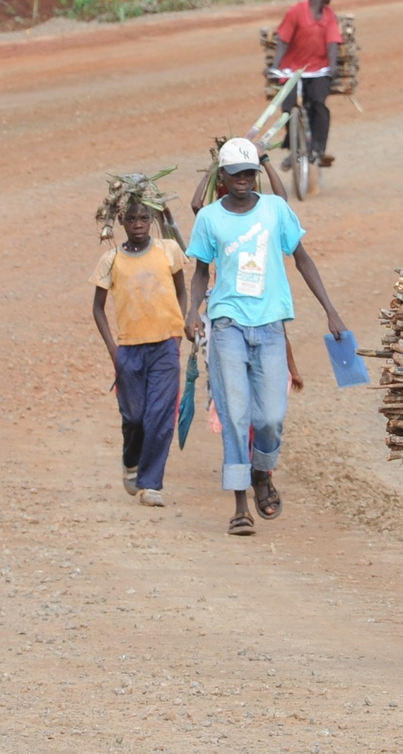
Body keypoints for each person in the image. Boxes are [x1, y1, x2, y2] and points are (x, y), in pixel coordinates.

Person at [184, 137, 349, 537]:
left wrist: (330, 309)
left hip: (272, 325)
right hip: (226, 325)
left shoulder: (276, 210)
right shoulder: (209, 218)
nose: (244, 180)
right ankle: (240, 506)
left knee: (271, 416)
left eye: (250, 173)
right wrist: (192, 312)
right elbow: (202, 271)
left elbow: (303, 258)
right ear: (223, 176)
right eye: (236, 174)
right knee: (236, 416)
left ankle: (262, 473)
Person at [90, 190, 189, 505]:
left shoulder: (168, 250)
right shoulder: (112, 260)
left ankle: (150, 484)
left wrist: (177, 330)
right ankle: (130, 459)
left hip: (165, 346)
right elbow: (97, 308)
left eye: (144, 218)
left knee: (159, 416)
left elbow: (181, 290)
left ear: (153, 220)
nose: (138, 224)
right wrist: (113, 350)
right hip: (129, 349)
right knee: (134, 416)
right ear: (121, 221)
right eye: (131, 218)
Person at [270, 0, 342, 168]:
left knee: (318, 104)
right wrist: (276, 66)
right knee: (288, 108)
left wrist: (332, 67)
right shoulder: (296, 13)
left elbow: (332, 43)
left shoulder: (328, 15)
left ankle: (318, 150)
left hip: (319, 70)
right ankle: (294, 147)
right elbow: (283, 40)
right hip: (292, 70)